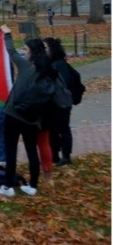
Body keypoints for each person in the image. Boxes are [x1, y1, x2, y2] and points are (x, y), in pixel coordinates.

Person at [0, 26, 56, 197]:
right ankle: (32, 185)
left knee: (11, 149)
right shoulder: (48, 72)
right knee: (31, 150)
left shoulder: (25, 66)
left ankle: (8, 186)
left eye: (26, 49)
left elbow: (10, 50)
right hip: (33, 119)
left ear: (32, 52)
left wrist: (7, 34)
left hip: (14, 114)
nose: (24, 52)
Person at [45, 36, 80, 166]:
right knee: (55, 129)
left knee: (62, 129)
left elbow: (63, 84)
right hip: (58, 102)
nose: (44, 51)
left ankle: (64, 155)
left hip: (61, 103)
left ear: (52, 49)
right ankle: (57, 155)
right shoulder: (57, 63)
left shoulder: (58, 65)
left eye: (46, 48)